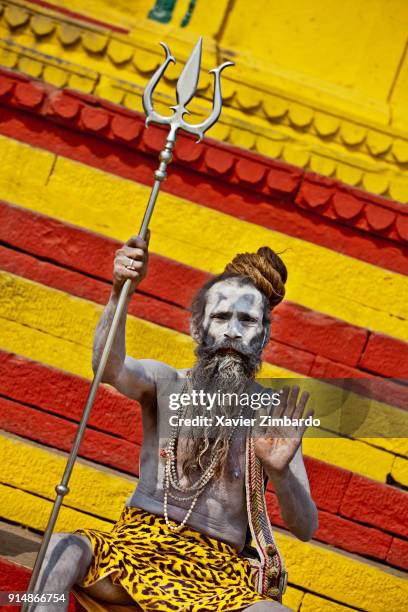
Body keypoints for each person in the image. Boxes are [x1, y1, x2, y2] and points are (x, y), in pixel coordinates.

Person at [33, 233, 318, 612]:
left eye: (247, 320)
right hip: (135, 547)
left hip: (217, 576)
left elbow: (306, 527)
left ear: (263, 334)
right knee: (60, 549)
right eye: (220, 317)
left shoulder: (270, 416)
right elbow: (109, 366)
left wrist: (280, 475)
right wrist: (121, 292)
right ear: (199, 328)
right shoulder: (165, 385)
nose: (232, 331)